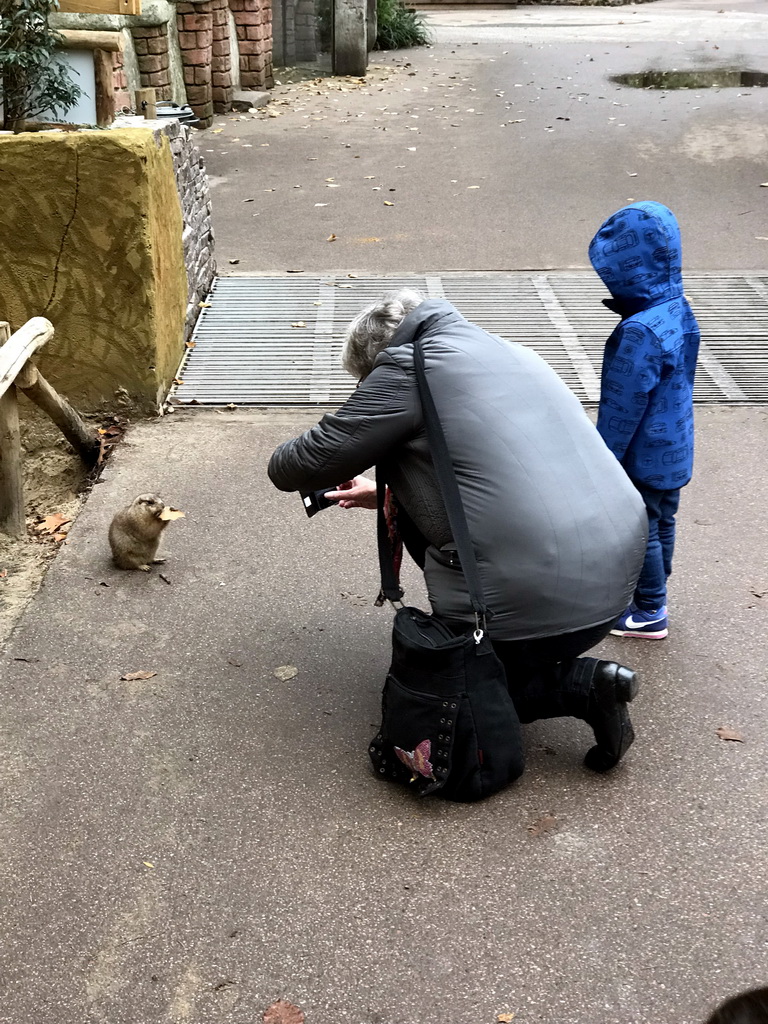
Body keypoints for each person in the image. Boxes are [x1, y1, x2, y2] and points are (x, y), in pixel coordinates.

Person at [268, 290, 649, 775]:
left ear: (376, 362)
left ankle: (584, 685)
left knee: (450, 686)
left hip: (540, 601)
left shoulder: (407, 367)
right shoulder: (506, 350)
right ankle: (537, 659)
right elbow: (494, 471)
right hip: (614, 584)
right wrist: (382, 493)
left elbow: (295, 466)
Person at [589, 201, 701, 640]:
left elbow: (623, 405)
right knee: (662, 519)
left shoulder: (639, 332)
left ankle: (650, 609)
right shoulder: (677, 306)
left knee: (641, 529)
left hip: (642, 452)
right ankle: (653, 593)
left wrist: (602, 460)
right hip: (675, 441)